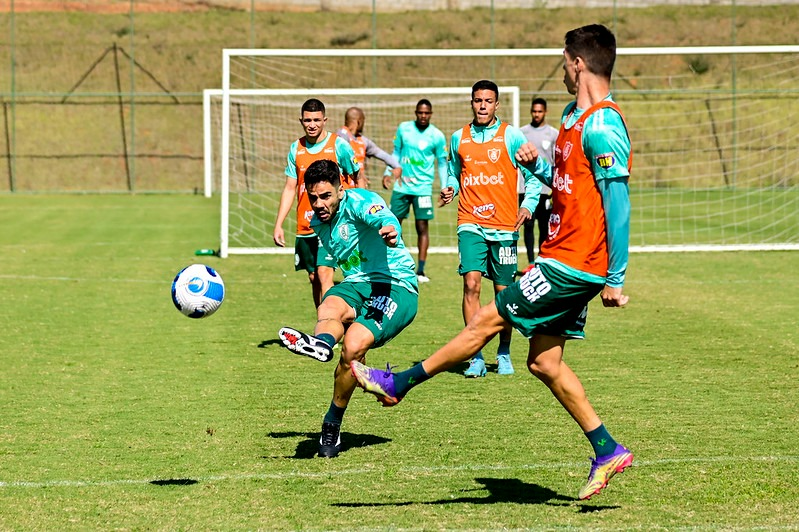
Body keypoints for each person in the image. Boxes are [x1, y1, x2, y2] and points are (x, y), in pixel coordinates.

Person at [350, 23, 633, 501]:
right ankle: (607, 450)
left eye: (566, 62)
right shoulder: (570, 118)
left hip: (573, 263)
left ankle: (399, 381)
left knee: (488, 316)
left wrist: (615, 277)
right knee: (544, 363)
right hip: (562, 253)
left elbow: (617, 201)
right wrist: (536, 165)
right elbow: (566, 184)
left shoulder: (605, 123)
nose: (564, 69)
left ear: (579, 63)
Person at [277, 158, 419, 459]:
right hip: (357, 284)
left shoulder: (360, 201)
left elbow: (385, 219)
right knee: (328, 303)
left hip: (396, 285)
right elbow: (326, 270)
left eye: (325, 196)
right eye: (313, 197)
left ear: (340, 189)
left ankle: (332, 421)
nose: (319, 203)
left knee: (352, 348)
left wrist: (390, 230)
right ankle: (321, 344)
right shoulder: (318, 223)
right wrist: (329, 315)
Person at [439, 80, 541, 377]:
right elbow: (453, 173)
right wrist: (449, 188)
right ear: (471, 103)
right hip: (470, 221)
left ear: (497, 104)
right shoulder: (459, 138)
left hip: (505, 225)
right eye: (477, 100)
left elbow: (533, 175)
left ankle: (504, 350)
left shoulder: (511, 135)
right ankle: (475, 355)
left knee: (504, 293)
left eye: (487, 101)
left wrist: (528, 205)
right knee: (471, 284)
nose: (482, 106)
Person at [273, 98, 361, 308]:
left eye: (316, 120)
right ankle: (325, 322)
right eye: (307, 120)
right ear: (301, 121)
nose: (312, 124)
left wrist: (358, 213)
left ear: (325, 120)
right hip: (305, 225)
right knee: (314, 277)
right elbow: (289, 187)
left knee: (324, 273)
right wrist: (278, 224)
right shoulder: (296, 148)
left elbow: (356, 178)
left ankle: (332, 325)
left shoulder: (338, 145)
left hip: (332, 222)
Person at [382, 99, 448, 283]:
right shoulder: (404, 129)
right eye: (420, 112)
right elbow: (395, 152)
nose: (423, 116)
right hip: (402, 186)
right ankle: (393, 266)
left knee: (422, 228)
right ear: (416, 112)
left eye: (427, 113)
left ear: (431, 114)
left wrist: (444, 187)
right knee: (393, 225)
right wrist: (388, 172)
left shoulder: (437, 135)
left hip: (423, 189)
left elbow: (442, 163)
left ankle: (420, 270)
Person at [519, 97, 559, 266]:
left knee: (544, 227)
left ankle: (541, 261)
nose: (536, 114)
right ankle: (529, 262)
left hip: (545, 191)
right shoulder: (522, 133)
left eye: (540, 111)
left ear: (545, 112)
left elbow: (556, 161)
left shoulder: (553, 134)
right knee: (528, 226)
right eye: (534, 111)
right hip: (525, 188)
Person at [336, 106, 402, 188]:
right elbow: (343, 156)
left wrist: (397, 166)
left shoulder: (362, 140)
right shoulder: (342, 136)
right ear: (359, 121)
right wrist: (358, 172)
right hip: (344, 189)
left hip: (358, 188)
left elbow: (380, 153)